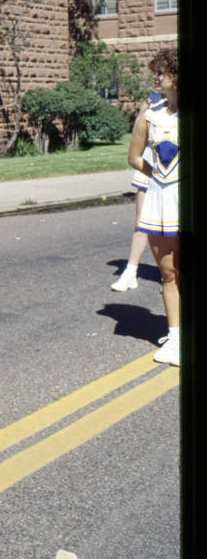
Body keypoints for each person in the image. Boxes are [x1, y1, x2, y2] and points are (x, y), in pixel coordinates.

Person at [128, 49, 179, 366]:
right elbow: (134, 156)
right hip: (161, 200)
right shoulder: (151, 112)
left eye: (161, 72)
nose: (156, 78)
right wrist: (158, 176)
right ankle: (175, 336)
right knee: (168, 272)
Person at [111, 91, 165, 291]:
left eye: (162, 73)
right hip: (150, 164)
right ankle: (130, 272)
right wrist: (146, 108)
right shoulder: (153, 99)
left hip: (174, 168)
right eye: (157, 73)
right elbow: (137, 133)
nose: (158, 77)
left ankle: (171, 273)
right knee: (142, 221)